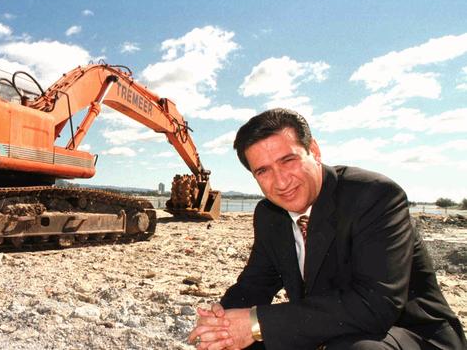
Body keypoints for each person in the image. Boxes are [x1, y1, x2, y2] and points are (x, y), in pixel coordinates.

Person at [188, 108, 466, 350]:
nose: (281, 181)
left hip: (410, 335)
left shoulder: (375, 196)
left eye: (288, 161)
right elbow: (255, 284)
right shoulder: (269, 214)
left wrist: (253, 323)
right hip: (327, 328)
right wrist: (221, 321)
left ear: (315, 151)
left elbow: (377, 305)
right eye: (263, 171)